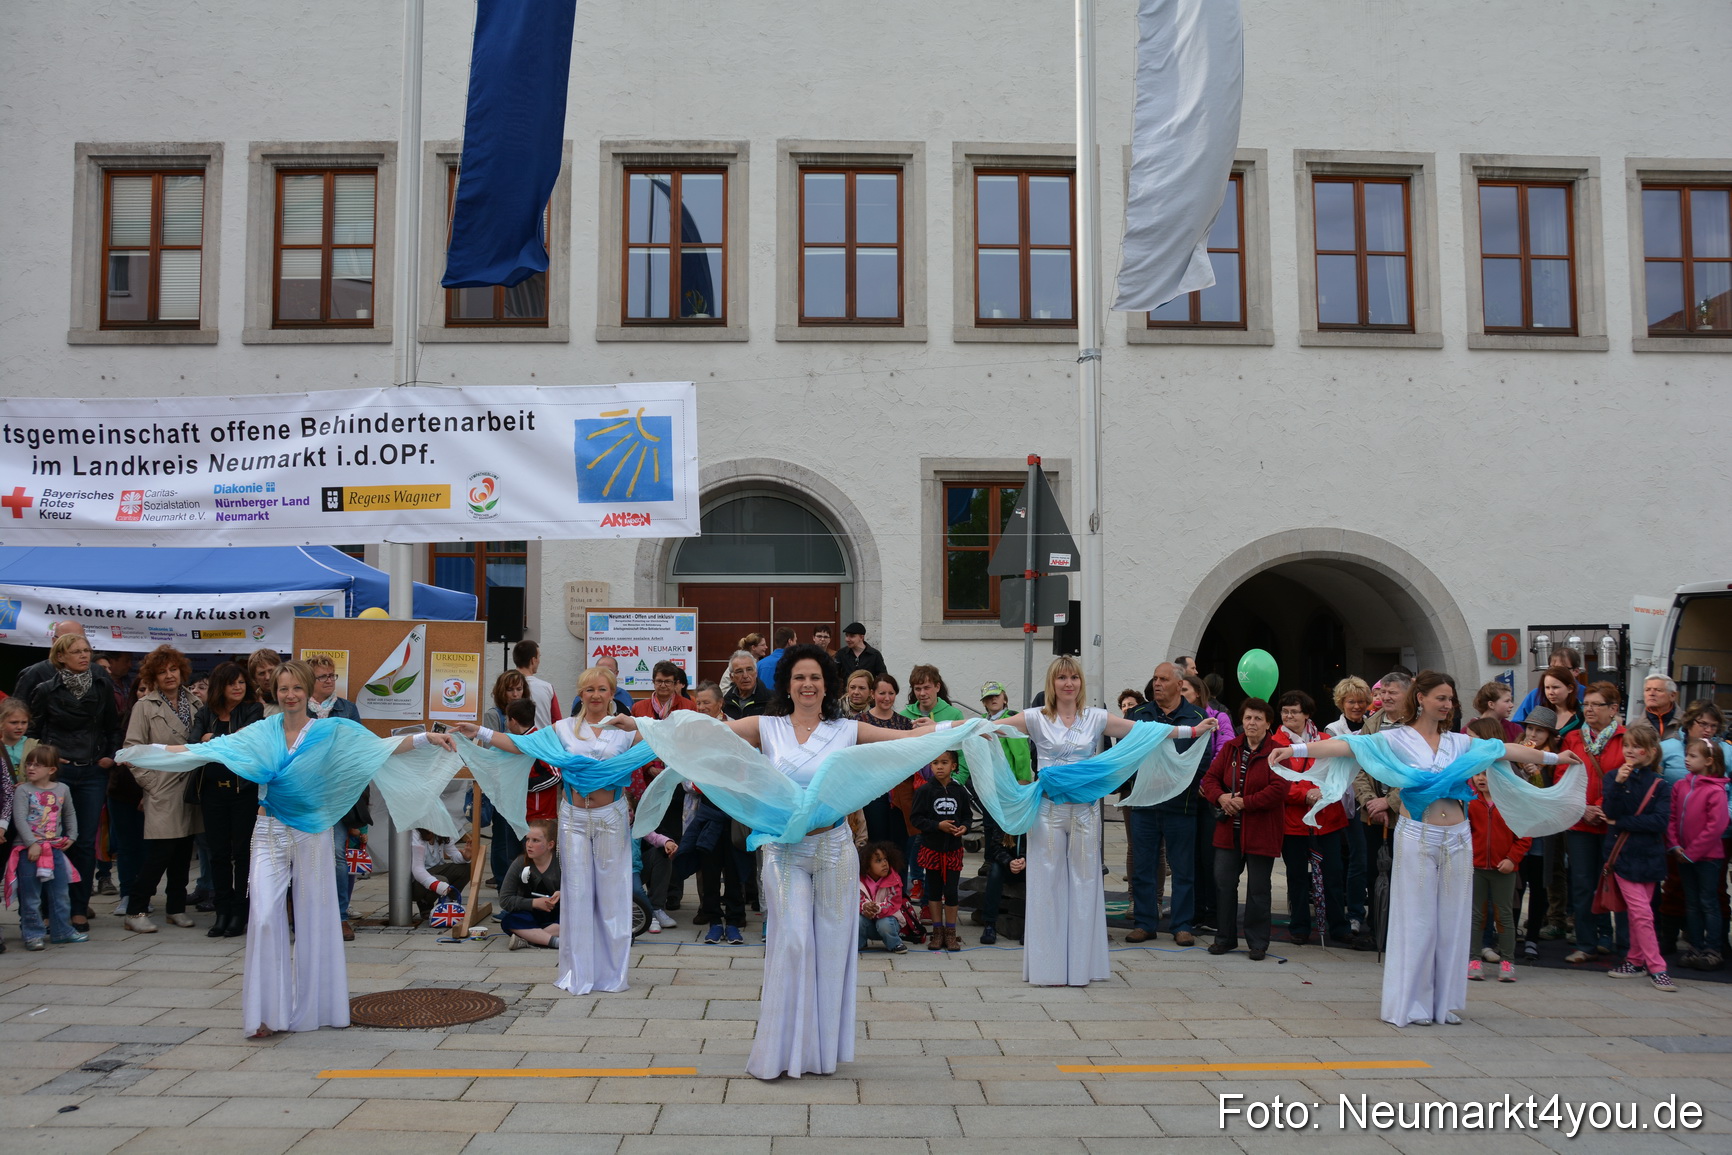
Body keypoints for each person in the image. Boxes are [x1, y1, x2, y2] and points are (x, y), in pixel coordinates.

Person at [620, 644, 996, 1080]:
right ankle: (781, 1049)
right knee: (794, 940)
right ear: (787, 684)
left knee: (833, 949)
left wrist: (950, 727)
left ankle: (820, 1051)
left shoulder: (846, 729)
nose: (808, 684)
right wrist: (640, 723)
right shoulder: (766, 726)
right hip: (784, 851)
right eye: (799, 677)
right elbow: (702, 734)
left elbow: (907, 741)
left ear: (827, 683)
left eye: (815, 677)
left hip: (835, 848)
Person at [120, 660, 464, 1037]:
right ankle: (266, 1014)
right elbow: (209, 749)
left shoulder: (330, 730)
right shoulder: (262, 731)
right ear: (275, 693)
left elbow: (377, 748)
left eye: (296, 688)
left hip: (312, 832)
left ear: (307, 691)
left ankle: (319, 1007)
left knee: (315, 918)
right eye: (283, 689)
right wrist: (146, 752)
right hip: (268, 830)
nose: (290, 695)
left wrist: (425, 738)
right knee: (266, 915)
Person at [1269, 671, 1584, 1028]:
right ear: (1421, 698)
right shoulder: (1396, 738)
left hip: (1458, 837)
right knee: (1417, 922)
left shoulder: (1459, 743)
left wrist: (1557, 760)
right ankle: (1412, 1002)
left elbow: (1503, 750)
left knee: (1452, 922)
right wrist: (1294, 750)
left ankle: (1442, 1002)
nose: (1448, 704)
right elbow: (1347, 746)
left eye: (1451, 699)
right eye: (1441, 698)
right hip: (1419, 835)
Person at [977, 656, 1215, 986]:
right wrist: (933, 730)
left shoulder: (1096, 718)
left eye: (1074, 677)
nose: (1068, 683)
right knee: (1046, 884)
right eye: (1062, 677)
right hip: (1046, 812)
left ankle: (1082, 967)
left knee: (1086, 884)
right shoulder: (1035, 718)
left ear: (1080, 683)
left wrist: (1191, 729)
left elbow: (1145, 732)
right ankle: (1047, 968)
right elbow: (984, 726)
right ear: (1052, 683)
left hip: (1086, 813)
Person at [456, 665, 653, 993]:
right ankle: (578, 973)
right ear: (580, 693)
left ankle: (612, 975)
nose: (596, 696)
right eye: (589, 689)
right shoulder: (562, 730)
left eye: (603, 689)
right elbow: (522, 745)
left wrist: (633, 722)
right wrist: (481, 732)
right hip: (574, 818)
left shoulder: (625, 731)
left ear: (612, 693)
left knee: (612, 896)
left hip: (610, 817)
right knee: (575, 894)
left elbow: (666, 739)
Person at [26, 632, 121, 934]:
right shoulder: (45, 689)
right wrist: (51, 757)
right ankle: (48, 908)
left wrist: (108, 756)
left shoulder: (102, 685)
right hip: (59, 773)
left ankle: (78, 908)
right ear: (60, 656)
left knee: (83, 841)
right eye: (77, 651)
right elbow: (34, 732)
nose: (84, 655)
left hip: (92, 771)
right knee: (51, 841)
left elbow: (113, 728)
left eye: (87, 650)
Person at [1124, 662, 1207, 945]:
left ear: (1178, 684)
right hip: (1145, 804)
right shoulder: (1138, 715)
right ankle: (1145, 923)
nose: (1156, 683)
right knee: (1143, 866)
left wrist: (1178, 783)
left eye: (1163, 679)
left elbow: (1203, 760)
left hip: (1180, 806)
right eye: (1155, 678)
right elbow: (1125, 753)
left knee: (1183, 869)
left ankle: (1182, 925)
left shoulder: (1196, 716)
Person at [120, 645, 200, 934]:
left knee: (182, 851)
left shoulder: (194, 702)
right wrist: (150, 784)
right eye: (162, 671)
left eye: (173, 669)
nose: (169, 675)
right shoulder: (144, 706)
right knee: (160, 853)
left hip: (190, 788)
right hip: (162, 788)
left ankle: (175, 908)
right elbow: (131, 750)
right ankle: (136, 909)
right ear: (153, 676)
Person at [1198, 698, 1287, 960]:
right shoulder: (1231, 748)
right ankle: (1224, 938)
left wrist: (1244, 802)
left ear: (1268, 723)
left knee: (1258, 889)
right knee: (1224, 884)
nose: (1252, 723)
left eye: (1258, 718)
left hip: (1261, 831)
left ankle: (1258, 942)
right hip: (1228, 831)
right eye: (1248, 718)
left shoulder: (1278, 751)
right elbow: (1211, 778)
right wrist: (1221, 798)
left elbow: (1279, 789)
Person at [187, 662, 262, 939]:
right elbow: (194, 745)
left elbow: (246, 743)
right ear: (221, 685)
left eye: (242, 682)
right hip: (212, 791)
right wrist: (212, 739)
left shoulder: (253, 709)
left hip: (243, 791)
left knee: (242, 853)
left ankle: (240, 912)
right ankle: (222, 910)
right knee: (217, 853)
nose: (239, 688)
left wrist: (214, 738)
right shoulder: (205, 713)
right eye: (233, 683)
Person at [1601, 724, 1675, 992]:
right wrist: (1619, 785)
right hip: (1622, 854)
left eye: (1636, 745)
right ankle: (1658, 967)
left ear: (1652, 751)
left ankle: (1634, 960)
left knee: (1640, 913)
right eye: (1627, 745)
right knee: (1641, 912)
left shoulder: (1661, 784)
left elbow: (1659, 821)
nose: (1630, 750)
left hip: (1650, 855)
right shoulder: (1613, 777)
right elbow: (1608, 809)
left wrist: (1622, 821)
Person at [1277, 690, 1350, 947]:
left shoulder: (1325, 739)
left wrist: (1323, 792)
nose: (1288, 716)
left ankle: (1338, 925)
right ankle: (1299, 926)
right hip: (1294, 821)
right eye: (1285, 711)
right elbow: (1276, 780)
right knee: (1296, 876)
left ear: (1306, 714)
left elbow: (1338, 774)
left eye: (1294, 711)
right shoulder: (1275, 742)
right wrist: (1302, 794)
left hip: (1326, 817)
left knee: (1333, 874)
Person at [1347, 670, 1411, 951]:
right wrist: (1371, 801)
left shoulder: (1417, 725)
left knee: (1405, 874)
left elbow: (1418, 770)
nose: (1385, 697)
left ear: (1408, 695)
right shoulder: (1372, 724)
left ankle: (1403, 934)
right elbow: (1359, 765)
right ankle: (1377, 930)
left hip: (1408, 814)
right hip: (1372, 813)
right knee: (1375, 872)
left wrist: (1391, 802)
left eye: (1392, 692)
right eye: (1382, 692)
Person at [1464, 718, 1531, 984]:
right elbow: (1463, 834)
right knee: (1476, 915)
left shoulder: (1510, 802)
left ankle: (1508, 960)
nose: (1482, 778)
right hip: (1476, 867)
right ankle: (1473, 958)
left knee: (1504, 915)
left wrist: (1512, 860)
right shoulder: (1470, 803)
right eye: (1478, 773)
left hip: (1504, 868)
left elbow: (1524, 835)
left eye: (1487, 773)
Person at [1560, 688, 1623, 963]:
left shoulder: (1625, 738)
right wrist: (1582, 808)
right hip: (1580, 822)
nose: (1590, 709)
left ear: (1613, 708)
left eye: (1597, 705)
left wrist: (1601, 805)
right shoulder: (1573, 739)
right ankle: (1585, 943)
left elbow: (1625, 778)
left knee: (1613, 882)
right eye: (1587, 704)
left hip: (1611, 822)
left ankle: (1609, 938)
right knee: (1583, 884)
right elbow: (1562, 777)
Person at [9, 745, 85, 950]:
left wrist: (72, 836)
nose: (31, 768)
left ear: (51, 769)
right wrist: (31, 844)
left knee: (60, 891)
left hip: (54, 849)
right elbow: (20, 819)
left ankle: (62, 930)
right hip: (29, 851)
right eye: (29, 764)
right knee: (31, 895)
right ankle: (33, 934)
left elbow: (69, 814)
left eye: (37, 765)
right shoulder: (23, 790)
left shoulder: (62, 789)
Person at [1669, 738, 1728, 970]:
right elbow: (1672, 818)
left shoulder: (1716, 790)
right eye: (1687, 754)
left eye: (1693, 756)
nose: (1687, 759)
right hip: (1683, 855)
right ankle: (1695, 946)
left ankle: (1713, 948)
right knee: (1691, 903)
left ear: (1709, 761)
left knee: (1708, 902)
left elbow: (1717, 826)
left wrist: (1691, 852)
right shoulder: (1680, 786)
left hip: (1708, 858)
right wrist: (1674, 845)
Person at [912, 749, 973, 951]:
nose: (939, 766)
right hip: (932, 848)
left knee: (951, 892)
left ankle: (951, 932)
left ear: (953, 766)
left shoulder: (960, 791)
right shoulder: (924, 791)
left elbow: (967, 816)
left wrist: (964, 827)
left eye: (944, 762)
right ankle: (937, 932)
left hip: (953, 849)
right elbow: (916, 819)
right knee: (935, 890)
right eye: (935, 762)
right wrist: (938, 826)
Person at [500, 817, 561, 950]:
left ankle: (530, 938)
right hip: (531, 915)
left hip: (558, 914)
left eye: (536, 840)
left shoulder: (561, 863)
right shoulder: (520, 863)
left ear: (550, 845)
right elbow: (505, 900)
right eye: (527, 839)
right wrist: (534, 903)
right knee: (509, 920)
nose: (529, 844)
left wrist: (563, 893)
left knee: (575, 919)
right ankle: (556, 942)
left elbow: (581, 893)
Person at [858, 841, 910, 954]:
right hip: (869, 924)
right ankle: (859, 943)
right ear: (867, 866)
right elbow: (855, 900)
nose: (884, 863)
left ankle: (895, 943)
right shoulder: (860, 881)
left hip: (889, 922)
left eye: (885, 859)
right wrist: (865, 907)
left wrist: (877, 908)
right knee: (858, 920)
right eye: (878, 861)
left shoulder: (893, 880)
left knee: (884, 923)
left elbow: (893, 904)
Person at [409, 826, 470, 921]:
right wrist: (437, 885)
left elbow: (454, 855)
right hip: (415, 882)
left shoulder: (441, 832)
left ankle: (447, 902)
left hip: (435, 872)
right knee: (441, 879)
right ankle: (425, 903)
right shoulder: (415, 834)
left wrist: (465, 857)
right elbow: (417, 869)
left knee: (465, 868)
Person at [1512, 648, 1584, 723]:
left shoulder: (1586, 695)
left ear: (1576, 671)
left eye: (1562, 669)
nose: (1555, 672)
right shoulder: (1536, 695)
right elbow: (1517, 726)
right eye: (1552, 668)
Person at [514, 640, 561, 728]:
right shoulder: (547, 688)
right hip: (542, 738)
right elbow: (557, 720)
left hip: (513, 740)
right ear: (533, 660)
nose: (539, 661)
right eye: (538, 657)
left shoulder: (505, 686)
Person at [1538, 668, 1581, 737]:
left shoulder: (1583, 715)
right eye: (1547, 687)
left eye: (1555, 687)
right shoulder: (1539, 714)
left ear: (1570, 688)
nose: (1550, 692)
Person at [246, 648, 282, 714]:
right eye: (261, 673)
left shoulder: (296, 698)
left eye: (271, 671)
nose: (267, 677)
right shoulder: (249, 703)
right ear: (255, 679)